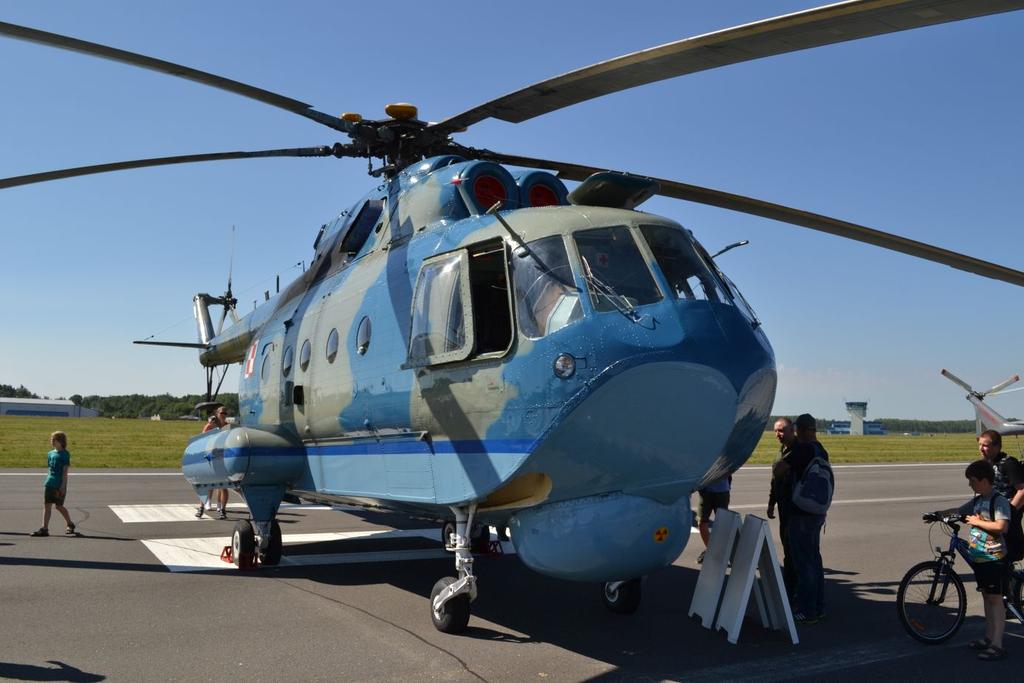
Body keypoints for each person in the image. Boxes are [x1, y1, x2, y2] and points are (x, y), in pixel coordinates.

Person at [773, 413, 828, 624]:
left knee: (803, 563)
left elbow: (779, 470)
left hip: (801, 513)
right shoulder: (821, 449)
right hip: (817, 512)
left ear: (802, 430)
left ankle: (806, 610)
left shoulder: (803, 449)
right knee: (814, 560)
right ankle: (818, 606)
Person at [958, 459, 1011, 661]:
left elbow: (1001, 527)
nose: (970, 484)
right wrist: (939, 514)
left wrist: (976, 521)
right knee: (987, 597)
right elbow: (960, 510)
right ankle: (989, 637)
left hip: (994, 557)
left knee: (996, 600)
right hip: (980, 558)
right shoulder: (978, 500)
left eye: (972, 480)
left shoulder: (998, 500)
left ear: (983, 480)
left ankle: (997, 644)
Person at [768, 417, 797, 596]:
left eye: (782, 430)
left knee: (796, 551)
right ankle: (790, 586)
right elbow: (774, 481)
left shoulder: (800, 452)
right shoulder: (780, 452)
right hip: (784, 508)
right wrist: (771, 502)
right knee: (787, 548)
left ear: (792, 430)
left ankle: (795, 589)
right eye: (776, 431)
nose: (778, 434)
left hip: (798, 510)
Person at [30, 431, 75, 537]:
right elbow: (50, 469)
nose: (52, 441)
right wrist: (47, 481)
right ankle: (44, 528)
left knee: (59, 506)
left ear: (60, 441)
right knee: (47, 506)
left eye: (54, 439)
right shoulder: (50, 453)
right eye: (51, 439)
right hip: (49, 483)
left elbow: (65, 472)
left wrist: (63, 486)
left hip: (59, 485)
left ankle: (70, 523)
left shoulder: (65, 454)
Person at [196, 405, 230, 519]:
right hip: (210, 456)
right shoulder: (210, 425)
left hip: (222, 457)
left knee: (223, 485)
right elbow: (202, 438)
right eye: (221, 413)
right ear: (217, 413)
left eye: (225, 413)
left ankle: (222, 510)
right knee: (205, 483)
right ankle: (201, 507)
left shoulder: (228, 426)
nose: (223, 415)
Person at [696, 474, 731, 564]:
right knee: (701, 522)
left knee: (722, 524)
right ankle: (711, 551)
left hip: (722, 492)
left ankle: (722, 552)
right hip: (706, 492)